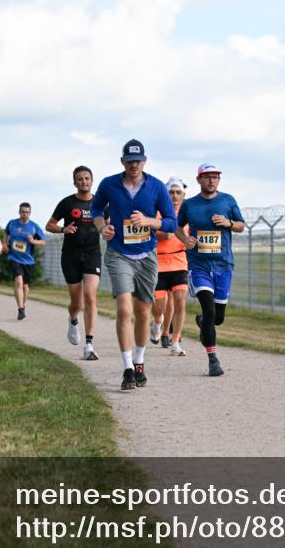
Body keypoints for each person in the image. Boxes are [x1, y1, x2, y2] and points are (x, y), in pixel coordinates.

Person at [91, 139, 177, 390]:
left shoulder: (157, 187)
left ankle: (139, 363)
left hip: (146, 257)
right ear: (122, 162)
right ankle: (127, 367)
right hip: (119, 254)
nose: (133, 165)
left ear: (145, 161)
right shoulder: (109, 184)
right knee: (124, 310)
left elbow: (171, 222)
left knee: (142, 313)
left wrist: (149, 221)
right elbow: (96, 208)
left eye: (137, 161)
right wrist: (102, 227)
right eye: (129, 161)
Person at [175, 163, 245, 377]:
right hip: (199, 265)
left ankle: (204, 323)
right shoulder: (190, 205)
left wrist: (229, 222)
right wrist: (186, 239)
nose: (211, 180)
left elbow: (241, 225)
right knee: (208, 308)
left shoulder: (228, 200)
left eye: (215, 177)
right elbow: (176, 227)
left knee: (218, 317)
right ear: (199, 180)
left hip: (223, 264)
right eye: (207, 177)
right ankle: (213, 360)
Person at [46, 165, 102, 360]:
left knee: (90, 296)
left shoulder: (100, 203)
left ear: (92, 180)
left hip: (92, 254)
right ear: (75, 182)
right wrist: (63, 230)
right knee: (76, 303)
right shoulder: (67, 203)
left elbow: (111, 224)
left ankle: (89, 344)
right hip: (70, 255)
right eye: (80, 179)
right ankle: (72, 319)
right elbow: (49, 225)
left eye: (87, 178)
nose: (84, 182)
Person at [151, 177, 189, 356]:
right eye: (171, 192)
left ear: (183, 195)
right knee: (160, 305)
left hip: (179, 261)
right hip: (158, 262)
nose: (174, 196)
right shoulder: (157, 211)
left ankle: (175, 341)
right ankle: (158, 321)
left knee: (180, 300)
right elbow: (146, 231)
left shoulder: (187, 213)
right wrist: (161, 235)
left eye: (178, 193)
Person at [2, 203, 46, 320]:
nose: (25, 214)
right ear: (19, 212)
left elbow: (43, 242)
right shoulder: (12, 223)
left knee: (25, 286)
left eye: (27, 212)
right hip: (14, 258)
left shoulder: (34, 226)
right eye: (23, 212)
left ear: (30, 213)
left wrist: (33, 242)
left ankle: (23, 305)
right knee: (18, 281)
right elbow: (6, 233)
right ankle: (20, 309)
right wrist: (4, 244)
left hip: (28, 261)